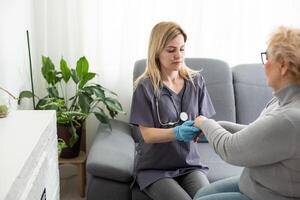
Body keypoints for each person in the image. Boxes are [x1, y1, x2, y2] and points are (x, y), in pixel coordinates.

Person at [192, 26, 300, 200]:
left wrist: (204, 122)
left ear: (284, 66)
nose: (264, 65)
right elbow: (256, 133)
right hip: (256, 184)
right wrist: (220, 126)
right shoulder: (280, 101)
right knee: (201, 194)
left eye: (268, 57)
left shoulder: (290, 118)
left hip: (270, 195)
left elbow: (230, 149)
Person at [129, 21, 216, 200]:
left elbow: (204, 120)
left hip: (189, 165)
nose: (178, 55)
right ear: (157, 52)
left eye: (182, 49)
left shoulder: (196, 81)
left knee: (208, 198)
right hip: (154, 169)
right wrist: (177, 132)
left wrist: (203, 127)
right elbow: (147, 135)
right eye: (171, 50)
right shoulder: (145, 87)